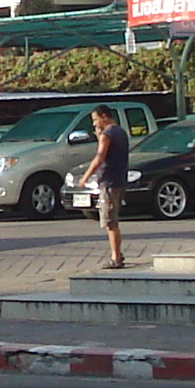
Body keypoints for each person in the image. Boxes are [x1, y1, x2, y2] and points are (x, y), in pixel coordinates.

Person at [79, 106, 131, 270]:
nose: (94, 123)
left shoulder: (107, 135)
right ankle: (117, 254)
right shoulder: (121, 132)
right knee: (111, 218)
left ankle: (116, 257)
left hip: (108, 181)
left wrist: (85, 177)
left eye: (95, 120)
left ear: (104, 117)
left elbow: (100, 157)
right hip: (119, 179)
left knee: (110, 222)